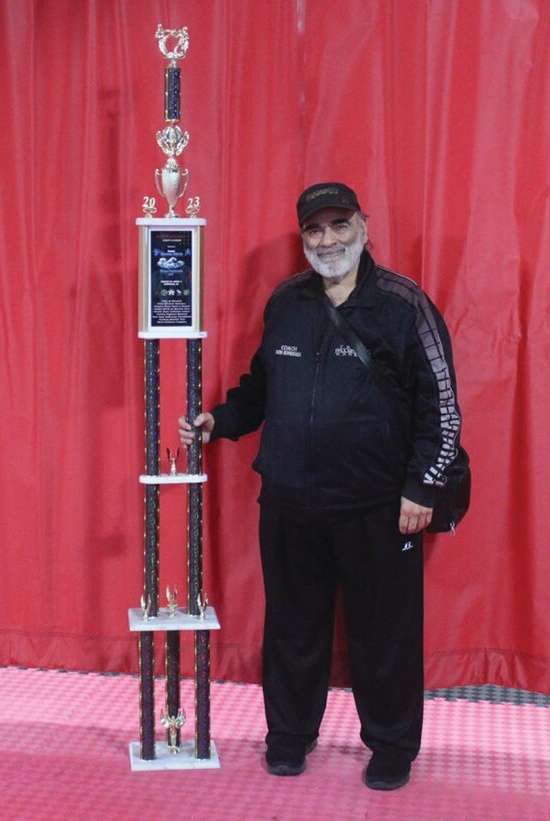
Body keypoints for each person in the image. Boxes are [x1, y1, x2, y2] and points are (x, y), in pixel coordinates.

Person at [178, 182, 462, 791]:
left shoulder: (403, 304)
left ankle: (391, 746)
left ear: (363, 226)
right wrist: (219, 421)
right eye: (315, 230)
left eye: (338, 225)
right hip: (289, 503)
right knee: (292, 628)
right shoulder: (285, 302)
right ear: (302, 238)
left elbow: (442, 407)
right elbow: (260, 388)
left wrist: (421, 486)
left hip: (380, 507)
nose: (327, 240)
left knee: (384, 634)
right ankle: (288, 736)